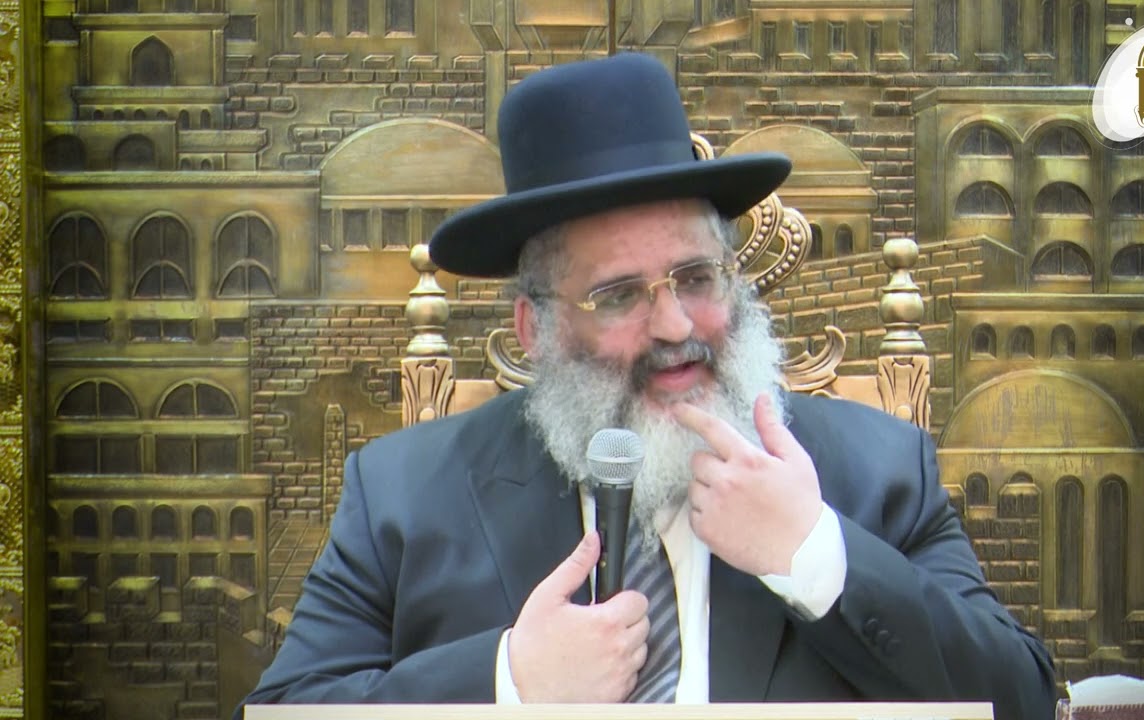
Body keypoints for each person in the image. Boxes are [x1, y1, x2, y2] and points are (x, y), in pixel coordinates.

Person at [239, 52, 1056, 719]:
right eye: (619, 295)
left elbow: (1020, 701)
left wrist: (814, 553)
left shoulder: (878, 473)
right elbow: (284, 711)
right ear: (536, 330)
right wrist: (510, 681)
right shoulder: (402, 495)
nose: (674, 325)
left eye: (697, 277)